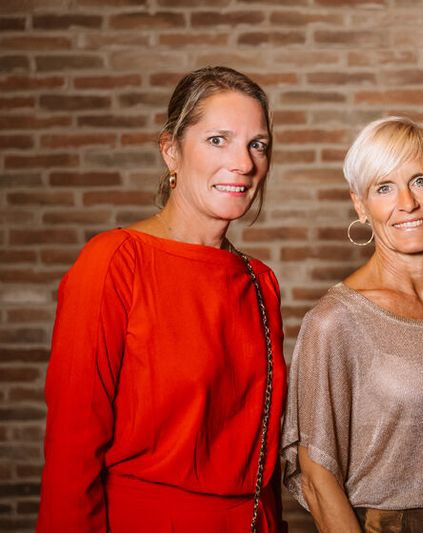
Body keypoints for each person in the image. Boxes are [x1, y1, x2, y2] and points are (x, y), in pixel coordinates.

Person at [37, 66, 287, 533]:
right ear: (171, 150)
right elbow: (72, 454)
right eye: (218, 140)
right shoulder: (114, 262)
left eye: (258, 144)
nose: (244, 163)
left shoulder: (259, 281)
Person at [281, 116, 423, 533]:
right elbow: (316, 477)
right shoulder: (335, 321)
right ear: (360, 206)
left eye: (420, 181)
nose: (407, 203)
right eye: (384, 188)